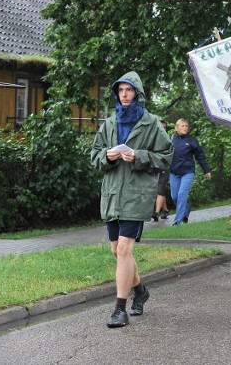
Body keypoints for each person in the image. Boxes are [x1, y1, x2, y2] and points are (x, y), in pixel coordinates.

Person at [91, 71, 174, 328]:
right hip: (113, 194)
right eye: (121, 91)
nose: (124, 95)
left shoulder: (151, 123)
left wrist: (139, 156)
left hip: (137, 196)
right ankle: (141, 291)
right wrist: (107, 156)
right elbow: (94, 157)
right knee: (116, 251)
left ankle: (119, 309)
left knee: (125, 249)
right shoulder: (109, 123)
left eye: (129, 90)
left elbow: (166, 156)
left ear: (137, 93)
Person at [169, 118, 212, 226]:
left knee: (182, 195)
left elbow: (200, 156)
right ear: (176, 128)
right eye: (182, 126)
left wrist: (206, 170)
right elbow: (166, 154)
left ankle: (177, 222)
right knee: (175, 197)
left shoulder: (192, 140)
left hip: (187, 172)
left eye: (186, 126)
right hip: (174, 172)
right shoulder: (172, 139)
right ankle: (186, 209)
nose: (185, 128)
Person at [152, 120, 170, 221]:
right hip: (155, 168)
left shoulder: (168, 140)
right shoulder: (153, 138)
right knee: (159, 191)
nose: (163, 129)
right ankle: (166, 210)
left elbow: (169, 156)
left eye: (165, 127)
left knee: (160, 190)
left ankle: (157, 212)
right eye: (161, 127)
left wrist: (163, 167)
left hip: (164, 169)